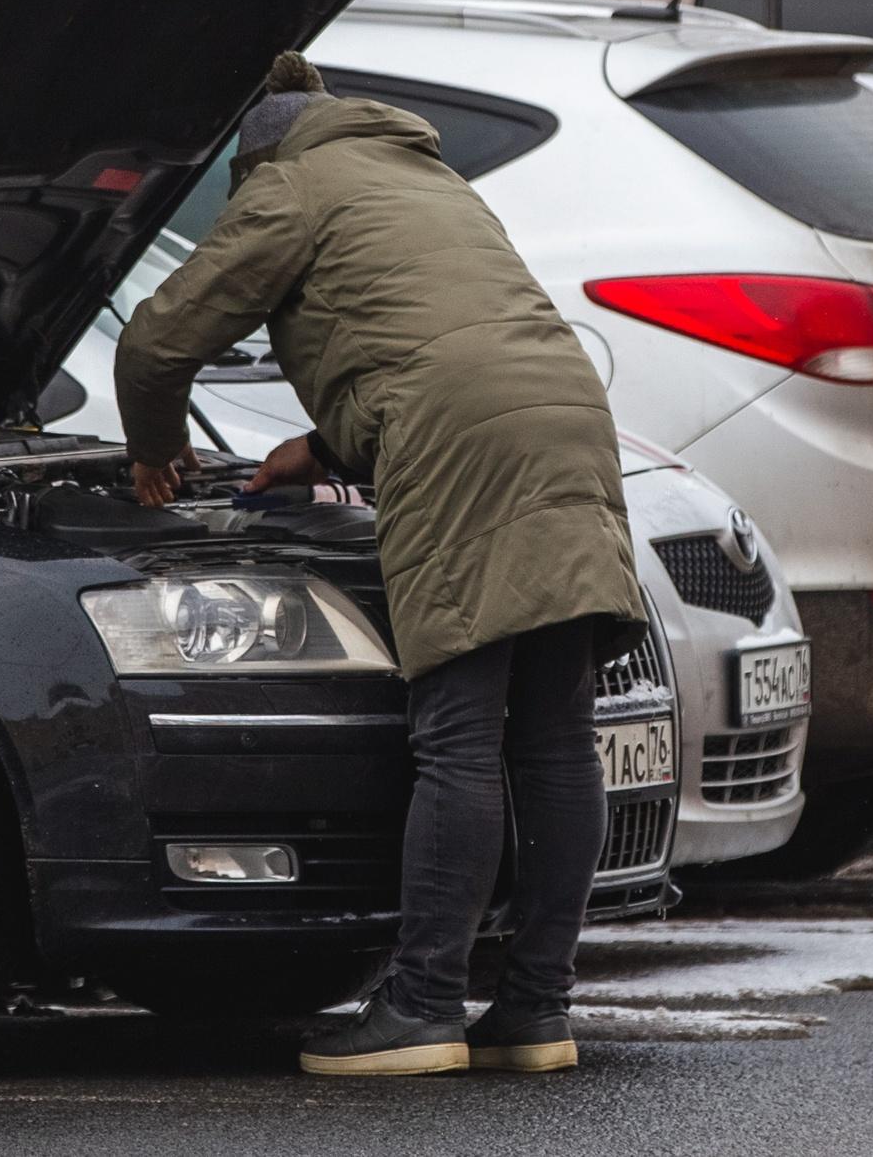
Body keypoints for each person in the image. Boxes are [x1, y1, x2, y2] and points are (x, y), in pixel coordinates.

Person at [115, 53, 651, 1078]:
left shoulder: (290, 185)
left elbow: (156, 342)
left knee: (454, 735)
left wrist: (152, 452)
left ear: (253, 146)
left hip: (462, 443)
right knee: (551, 736)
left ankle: (419, 1008)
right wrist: (314, 453)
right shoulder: (421, 177)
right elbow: (425, 340)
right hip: (568, 419)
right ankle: (534, 1009)